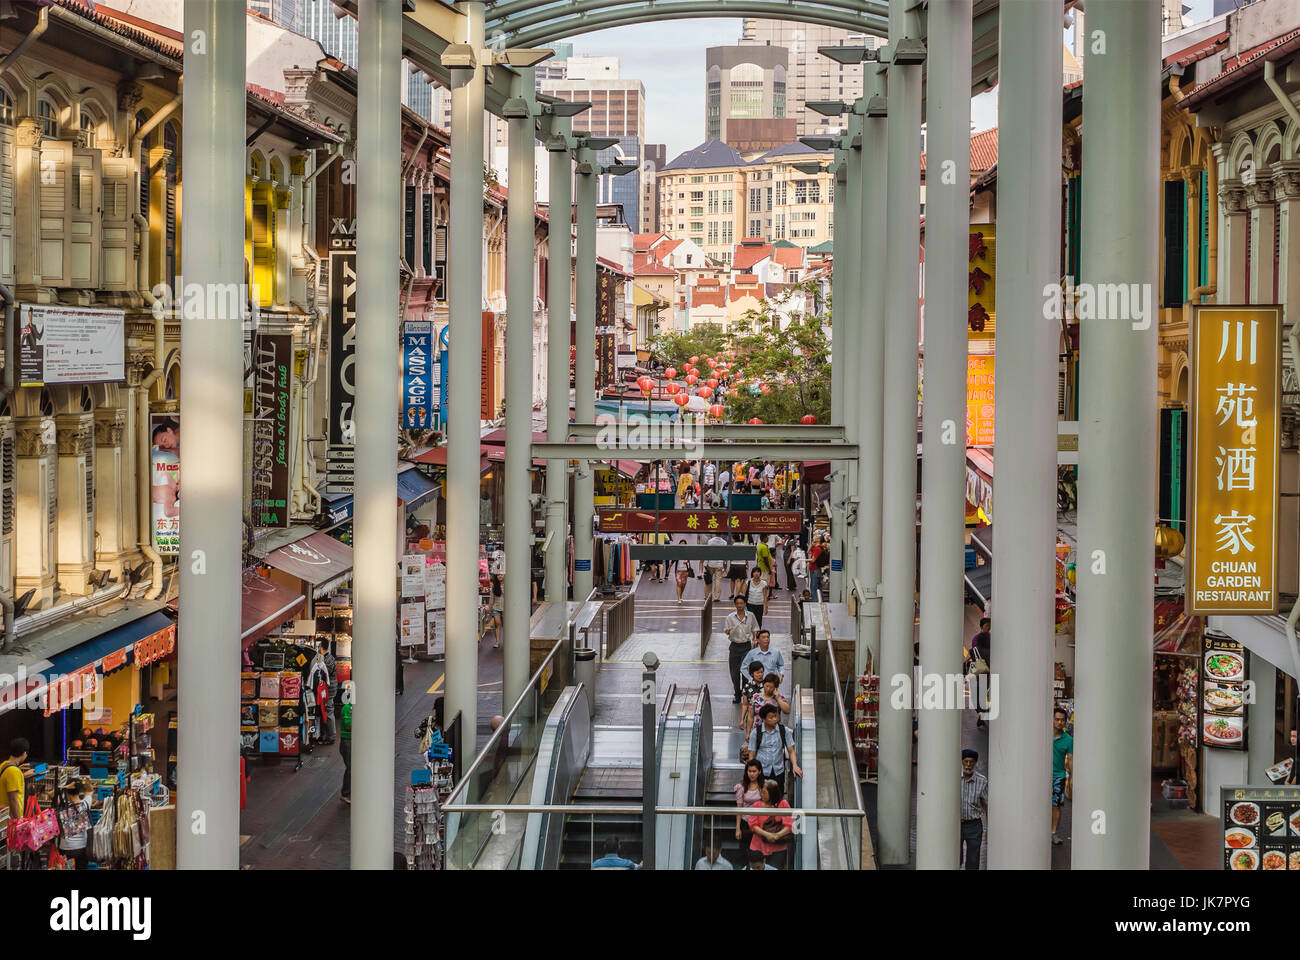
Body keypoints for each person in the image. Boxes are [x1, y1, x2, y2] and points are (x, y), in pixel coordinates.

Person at [747, 704, 802, 790]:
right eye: (771, 717)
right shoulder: (756, 733)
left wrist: (794, 765)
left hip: (778, 771)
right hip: (761, 772)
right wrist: (752, 773)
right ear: (763, 719)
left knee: (778, 797)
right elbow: (751, 754)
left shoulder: (784, 730)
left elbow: (791, 750)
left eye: (775, 716)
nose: (775, 719)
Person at [747, 777, 794, 869]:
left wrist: (777, 835)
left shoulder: (783, 804)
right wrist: (767, 834)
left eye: (764, 793)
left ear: (772, 793)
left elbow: (789, 825)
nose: (761, 795)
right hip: (758, 847)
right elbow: (752, 825)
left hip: (778, 848)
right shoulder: (757, 805)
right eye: (761, 792)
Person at [724, 597, 760, 703]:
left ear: (745, 604)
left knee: (745, 673)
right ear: (735, 605)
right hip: (734, 646)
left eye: (741, 603)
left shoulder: (751, 616)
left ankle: (745, 694)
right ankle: (737, 694)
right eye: (737, 603)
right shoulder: (730, 617)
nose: (739, 605)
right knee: (734, 673)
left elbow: (755, 628)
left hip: (746, 647)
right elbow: (726, 631)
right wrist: (727, 631)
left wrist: (755, 639)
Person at [959, 748, 988, 870]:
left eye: (971, 762)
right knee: (954, 857)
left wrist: (988, 829)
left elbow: (987, 805)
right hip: (955, 825)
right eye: (966, 761)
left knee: (973, 859)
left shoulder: (982, 781)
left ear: (975, 763)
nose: (968, 765)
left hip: (974, 826)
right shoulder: (951, 778)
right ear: (961, 761)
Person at [57, 779, 92, 870]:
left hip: (64, 848)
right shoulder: (86, 803)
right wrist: (86, 783)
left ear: (67, 792)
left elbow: (52, 793)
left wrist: (64, 787)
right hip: (81, 848)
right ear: (80, 791)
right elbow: (90, 791)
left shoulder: (61, 806)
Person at [1052, 706, 1073, 845]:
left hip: (1058, 776)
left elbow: (1070, 759)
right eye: (1057, 719)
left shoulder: (1068, 740)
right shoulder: (1042, 733)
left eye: (1062, 720)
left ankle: (1053, 833)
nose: (1060, 722)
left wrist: (1072, 777)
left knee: (1056, 806)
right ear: (1052, 720)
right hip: (1040, 776)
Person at [734, 758, 764, 852]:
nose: (751, 774)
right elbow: (739, 809)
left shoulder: (763, 786)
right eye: (749, 771)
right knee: (745, 850)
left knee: (759, 851)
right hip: (746, 822)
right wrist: (738, 828)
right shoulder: (742, 787)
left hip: (760, 823)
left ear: (759, 771)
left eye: (754, 771)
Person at [1, 737, 29, 821]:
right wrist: (18, 821)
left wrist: (23, 774)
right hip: (10, 820)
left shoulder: (3, 765)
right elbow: (13, 799)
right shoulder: (14, 771)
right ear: (24, 753)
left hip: (3, 816)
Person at [336, 681, 354, 803]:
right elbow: (348, 725)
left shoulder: (352, 707)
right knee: (351, 768)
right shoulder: (348, 708)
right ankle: (346, 793)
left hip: (350, 740)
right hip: (347, 741)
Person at [706, 535, 729, 601]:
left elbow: (708, 552)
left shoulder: (710, 541)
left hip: (711, 563)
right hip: (719, 563)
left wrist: (706, 563)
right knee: (718, 580)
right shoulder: (724, 542)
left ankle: (708, 596)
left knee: (709, 580)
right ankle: (716, 597)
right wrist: (724, 565)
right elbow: (725, 554)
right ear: (721, 534)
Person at [674, 539, 693, 604]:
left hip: (685, 570)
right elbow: (673, 560)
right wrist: (669, 568)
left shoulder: (687, 552)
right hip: (678, 570)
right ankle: (679, 598)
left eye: (683, 544)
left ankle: (680, 596)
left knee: (683, 584)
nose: (682, 545)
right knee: (679, 583)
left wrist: (687, 561)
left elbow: (689, 560)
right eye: (681, 543)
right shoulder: (677, 552)